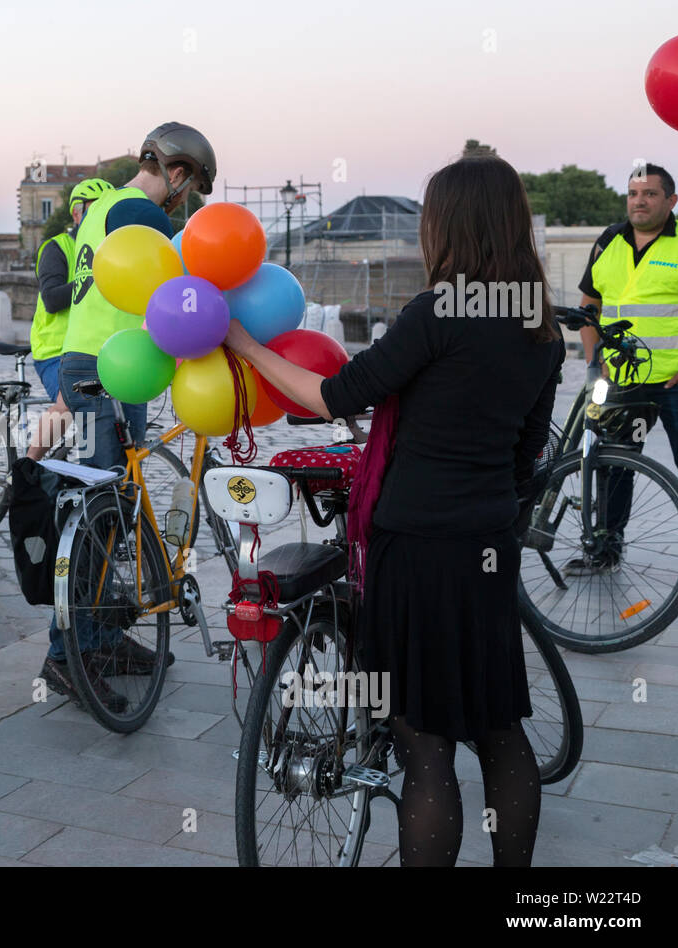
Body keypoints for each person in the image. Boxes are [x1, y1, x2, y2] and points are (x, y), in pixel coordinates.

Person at [225, 155, 564, 866]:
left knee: (423, 739)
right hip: (488, 547)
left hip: (416, 547)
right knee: (500, 730)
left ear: (452, 226)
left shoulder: (439, 311)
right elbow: (527, 452)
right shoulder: (540, 327)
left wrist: (248, 346)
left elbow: (334, 396)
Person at [38, 123, 215, 708]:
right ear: (178, 172)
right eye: (187, 192)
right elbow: (184, 281)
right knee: (100, 515)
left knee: (113, 510)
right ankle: (69, 656)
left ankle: (106, 635)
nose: (182, 202)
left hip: (111, 366)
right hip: (107, 371)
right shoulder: (140, 213)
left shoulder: (108, 203)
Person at [572, 162, 678, 574]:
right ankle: (605, 550)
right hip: (622, 381)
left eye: (650, 194)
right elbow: (589, 305)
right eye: (633, 194)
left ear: (671, 201)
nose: (639, 201)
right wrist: (594, 361)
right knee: (613, 468)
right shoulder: (609, 242)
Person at [26, 178, 113, 460]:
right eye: (94, 208)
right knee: (71, 404)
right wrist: (96, 280)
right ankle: (25, 471)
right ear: (77, 214)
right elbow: (51, 299)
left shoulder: (114, 252)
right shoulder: (58, 247)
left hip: (94, 349)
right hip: (55, 350)